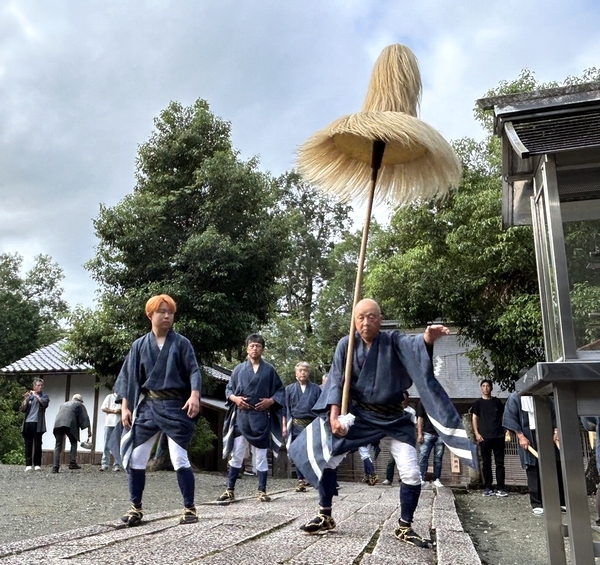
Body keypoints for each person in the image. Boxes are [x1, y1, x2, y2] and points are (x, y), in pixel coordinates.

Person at [291, 298, 460, 548]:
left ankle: (405, 526)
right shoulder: (346, 345)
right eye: (360, 317)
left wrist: (426, 339)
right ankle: (325, 514)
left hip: (393, 417)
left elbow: (412, 346)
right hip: (360, 416)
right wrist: (335, 415)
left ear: (380, 320)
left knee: (412, 472)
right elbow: (337, 381)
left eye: (371, 317)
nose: (366, 322)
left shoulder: (393, 340)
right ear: (354, 320)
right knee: (327, 458)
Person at [113, 294, 202, 526]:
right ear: (150, 314)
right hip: (149, 406)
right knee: (136, 457)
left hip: (176, 406)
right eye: (162, 311)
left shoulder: (182, 343)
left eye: (170, 312)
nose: (167, 316)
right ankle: (136, 508)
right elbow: (129, 379)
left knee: (179, 458)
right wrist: (125, 407)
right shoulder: (139, 345)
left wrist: (194, 394)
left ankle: (189, 508)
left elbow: (194, 370)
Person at [218, 334, 285, 504]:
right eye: (252, 346)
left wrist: (270, 401)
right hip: (242, 418)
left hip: (261, 418)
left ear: (262, 349)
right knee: (237, 454)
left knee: (261, 456)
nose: (255, 348)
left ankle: (262, 490)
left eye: (258, 346)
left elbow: (280, 391)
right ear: (247, 348)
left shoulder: (269, 370)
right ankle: (229, 490)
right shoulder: (239, 370)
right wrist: (236, 399)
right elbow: (228, 391)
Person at [502, 391, 565, 514]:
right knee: (532, 468)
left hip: (545, 431)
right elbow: (510, 417)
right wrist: (520, 436)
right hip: (527, 434)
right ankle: (537, 503)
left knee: (553, 466)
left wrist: (556, 431)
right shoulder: (515, 397)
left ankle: (558, 502)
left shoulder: (542, 393)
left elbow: (554, 413)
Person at [282, 361, 322, 492]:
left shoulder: (316, 389)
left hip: (312, 425)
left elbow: (321, 409)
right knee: (298, 453)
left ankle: (311, 478)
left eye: (305, 370)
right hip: (295, 425)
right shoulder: (289, 389)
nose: (303, 372)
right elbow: (285, 409)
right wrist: (284, 426)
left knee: (312, 453)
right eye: (300, 370)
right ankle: (300, 480)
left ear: (308, 373)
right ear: (296, 373)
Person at [472, 379, 507, 496]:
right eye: (483, 386)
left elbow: (503, 417)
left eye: (488, 386)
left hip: (498, 436)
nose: (486, 388)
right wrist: (476, 433)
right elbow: (474, 418)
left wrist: (506, 431)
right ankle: (488, 487)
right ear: (481, 388)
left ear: (491, 388)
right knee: (486, 463)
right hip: (484, 437)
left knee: (500, 463)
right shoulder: (478, 403)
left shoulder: (497, 402)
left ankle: (501, 487)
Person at [382, 391, 416, 485]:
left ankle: (403, 479)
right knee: (391, 460)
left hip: (406, 438)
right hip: (395, 437)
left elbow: (414, 425)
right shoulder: (394, 410)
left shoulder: (411, 411)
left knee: (405, 460)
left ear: (407, 399)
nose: (402, 400)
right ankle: (389, 479)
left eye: (404, 398)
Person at [52, 394, 91, 473]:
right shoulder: (79, 404)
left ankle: (55, 467)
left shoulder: (64, 404)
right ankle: (72, 463)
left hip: (58, 424)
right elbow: (85, 418)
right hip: (70, 424)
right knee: (73, 442)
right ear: (80, 400)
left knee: (58, 445)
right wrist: (89, 430)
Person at [20, 378, 49, 471]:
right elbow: (23, 409)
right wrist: (26, 398)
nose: (40, 387)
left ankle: (37, 464)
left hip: (38, 423)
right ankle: (28, 464)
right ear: (34, 386)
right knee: (28, 443)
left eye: (41, 385)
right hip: (28, 422)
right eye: (38, 385)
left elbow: (44, 404)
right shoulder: (30, 397)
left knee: (37, 444)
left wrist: (37, 396)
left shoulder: (44, 396)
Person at [417, 399, 446, 487]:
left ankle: (436, 478)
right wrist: (419, 434)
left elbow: (447, 417)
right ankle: (422, 478)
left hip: (440, 434)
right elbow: (420, 418)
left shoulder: (442, 401)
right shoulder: (423, 401)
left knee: (438, 458)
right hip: (427, 432)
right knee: (423, 457)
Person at [100, 392, 122, 471]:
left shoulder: (123, 397)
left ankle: (117, 464)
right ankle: (105, 463)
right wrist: (113, 411)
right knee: (106, 444)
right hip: (109, 423)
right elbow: (103, 408)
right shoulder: (109, 397)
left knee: (118, 445)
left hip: (119, 423)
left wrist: (121, 411)